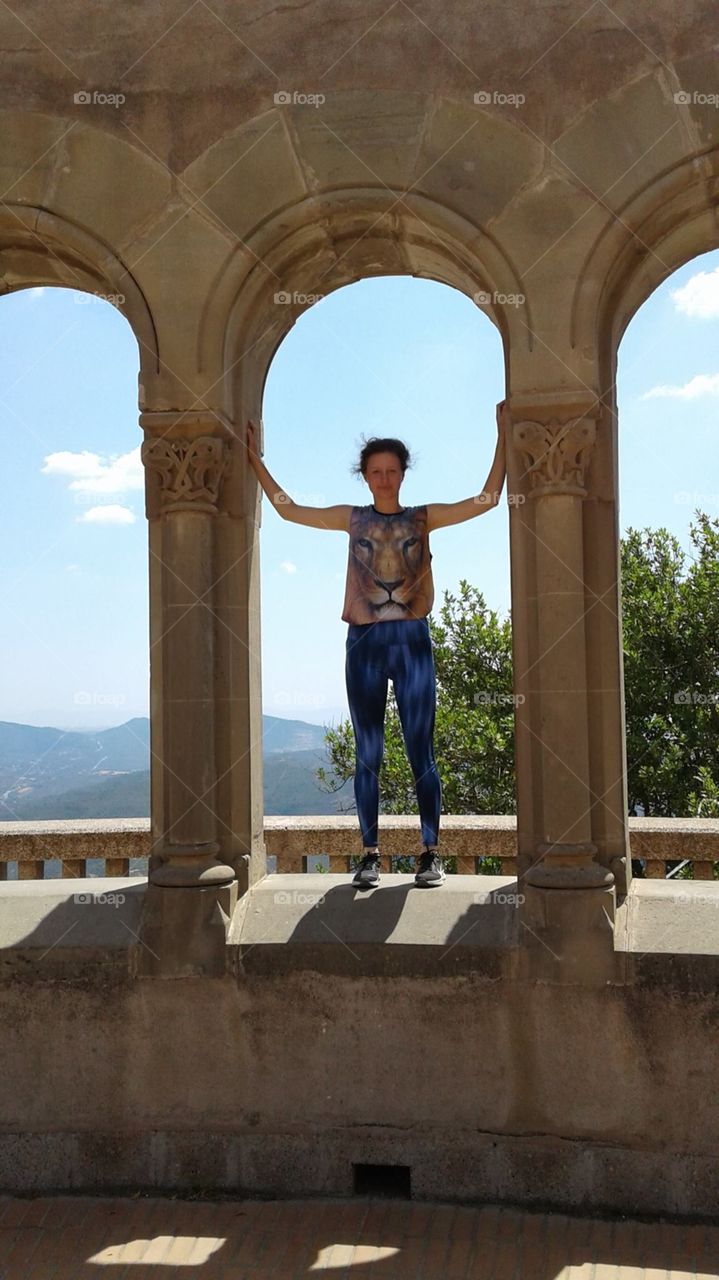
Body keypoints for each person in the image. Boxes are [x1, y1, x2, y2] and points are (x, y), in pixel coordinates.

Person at [245, 402, 508, 890]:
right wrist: (254, 459)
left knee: (419, 751)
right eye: (375, 472)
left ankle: (430, 853)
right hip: (364, 641)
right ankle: (370, 855)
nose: (384, 479)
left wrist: (505, 433)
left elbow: (488, 498)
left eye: (391, 471)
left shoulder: (423, 519)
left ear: (402, 474)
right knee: (368, 752)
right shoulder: (353, 519)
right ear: (364, 477)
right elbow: (287, 509)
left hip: (411, 641)